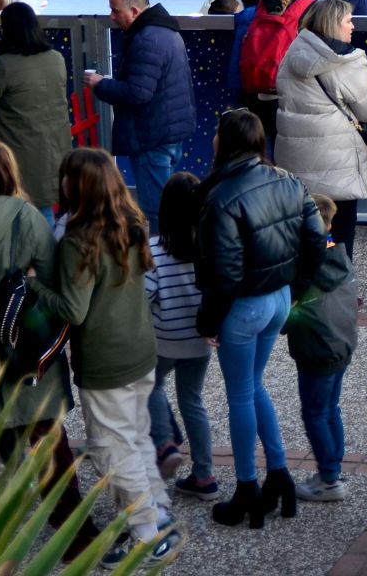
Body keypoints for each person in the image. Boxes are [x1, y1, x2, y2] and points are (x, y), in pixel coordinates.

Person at [32, 150, 179, 565]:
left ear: (76, 186)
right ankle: (156, 510)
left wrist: (34, 286)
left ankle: (148, 534)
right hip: (140, 350)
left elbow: (73, 310)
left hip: (105, 360)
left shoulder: (78, 240)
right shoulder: (131, 224)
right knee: (133, 437)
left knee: (108, 448)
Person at [195, 108, 327, 530]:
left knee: (239, 395)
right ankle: (280, 474)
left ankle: (247, 489)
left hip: (244, 306)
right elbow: (315, 243)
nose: (213, 139)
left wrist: (208, 321)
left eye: (217, 133)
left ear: (227, 142)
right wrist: (296, 294)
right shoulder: (290, 181)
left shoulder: (220, 196)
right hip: (278, 299)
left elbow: (225, 274)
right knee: (255, 387)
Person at [83, 0, 196, 235]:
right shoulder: (164, 31)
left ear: (134, 11)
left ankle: (161, 263)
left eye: (115, 11)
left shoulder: (147, 39)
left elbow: (137, 93)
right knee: (166, 205)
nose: (111, 17)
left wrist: (101, 84)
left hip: (150, 136)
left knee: (155, 210)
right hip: (166, 132)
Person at [274, 0, 367, 256]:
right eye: (348, 21)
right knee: (342, 229)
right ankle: (339, 287)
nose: (353, 26)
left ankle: (308, 285)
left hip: (298, 160)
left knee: (310, 230)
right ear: (333, 25)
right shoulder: (344, 62)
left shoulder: (294, 51)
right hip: (338, 162)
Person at [141, 171, 216, 498]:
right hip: (199, 341)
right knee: (192, 400)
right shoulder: (210, 247)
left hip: (163, 340)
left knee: (151, 387)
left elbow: (145, 295)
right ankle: (205, 475)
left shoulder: (154, 249)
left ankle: (164, 444)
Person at [0, 3, 72, 213]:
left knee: (17, 212)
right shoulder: (56, 58)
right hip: (54, 148)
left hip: (15, 154)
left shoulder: (3, 64)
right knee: (44, 210)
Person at [286, 192, 358, 504]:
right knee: (331, 409)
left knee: (315, 413)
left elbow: (292, 315)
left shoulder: (304, 267)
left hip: (316, 349)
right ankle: (334, 470)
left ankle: (329, 478)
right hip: (341, 344)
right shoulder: (338, 256)